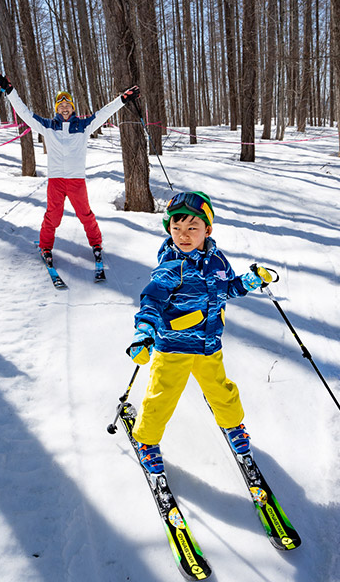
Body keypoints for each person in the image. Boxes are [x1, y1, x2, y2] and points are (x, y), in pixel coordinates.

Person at [126, 191, 273, 474]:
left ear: (208, 229)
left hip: (208, 346)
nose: (183, 235)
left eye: (192, 228)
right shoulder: (171, 267)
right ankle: (146, 441)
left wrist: (250, 281)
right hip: (173, 349)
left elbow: (227, 288)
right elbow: (152, 300)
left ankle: (233, 425)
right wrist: (143, 332)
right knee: (162, 398)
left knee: (223, 392)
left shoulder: (217, 261)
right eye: (176, 228)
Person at [0, 74, 140, 267]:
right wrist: (10, 91)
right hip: (56, 181)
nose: (64, 108)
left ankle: (96, 244)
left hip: (76, 181)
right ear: (57, 109)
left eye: (68, 105)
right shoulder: (47, 126)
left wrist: (123, 99)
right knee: (52, 216)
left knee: (85, 215)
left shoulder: (83, 126)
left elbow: (105, 112)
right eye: (60, 105)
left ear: (72, 108)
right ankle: (45, 246)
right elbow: (25, 113)